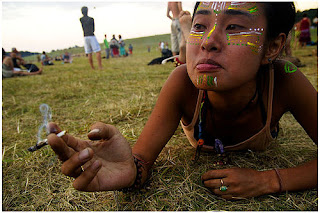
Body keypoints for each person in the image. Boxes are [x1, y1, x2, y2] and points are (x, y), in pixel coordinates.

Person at [47, 2, 317, 200]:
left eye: (233, 27)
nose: (208, 42)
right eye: (200, 26)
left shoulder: (285, 78)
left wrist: (268, 180)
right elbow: (139, 162)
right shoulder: (181, 81)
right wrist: (129, 170)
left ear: (272, 46)